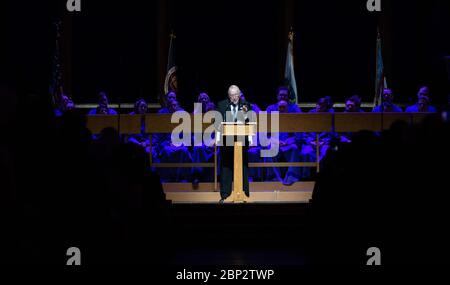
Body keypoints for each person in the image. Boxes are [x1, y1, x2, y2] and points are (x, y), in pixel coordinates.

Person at [216, 85, 253, 203]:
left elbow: (250, 120)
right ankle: (225, 195)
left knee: (242, 166)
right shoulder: (222, 105)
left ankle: (244, 193)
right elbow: (217, 121)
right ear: (228, 96)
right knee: (226, 167)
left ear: (240, 94)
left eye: (236, 94)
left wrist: (245, 114)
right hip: (226, 141)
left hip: (241, 141)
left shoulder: (246, 105)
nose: (234, 97)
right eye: (231, 95)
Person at [153, 99, 192, 182]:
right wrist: (168, 143)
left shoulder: (182, 120)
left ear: (178, 107)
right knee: (166, 151)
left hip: (180, 143)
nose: (173, 107)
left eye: (175, 105)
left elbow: (187, 135)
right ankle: (168, 178)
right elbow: (160, 137)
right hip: (167, 144)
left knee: (184, 151)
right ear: (168, 108)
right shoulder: (164, 120)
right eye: (171, 106)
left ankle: (180, 177)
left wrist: (181, 142)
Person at [265, 100, 303, 185]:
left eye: (284, 107)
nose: (282, 109)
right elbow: (267, 136)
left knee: (295, 148)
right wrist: (275, 141)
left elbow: (298, 135)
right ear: (277, 108)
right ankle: (274, 177)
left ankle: (291, 176)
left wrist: (289, 141)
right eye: (280, 107)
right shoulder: (272, 120)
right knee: (268, 149)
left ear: (287, 108)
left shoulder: (291, 119)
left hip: (288, 144)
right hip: (276, 144)